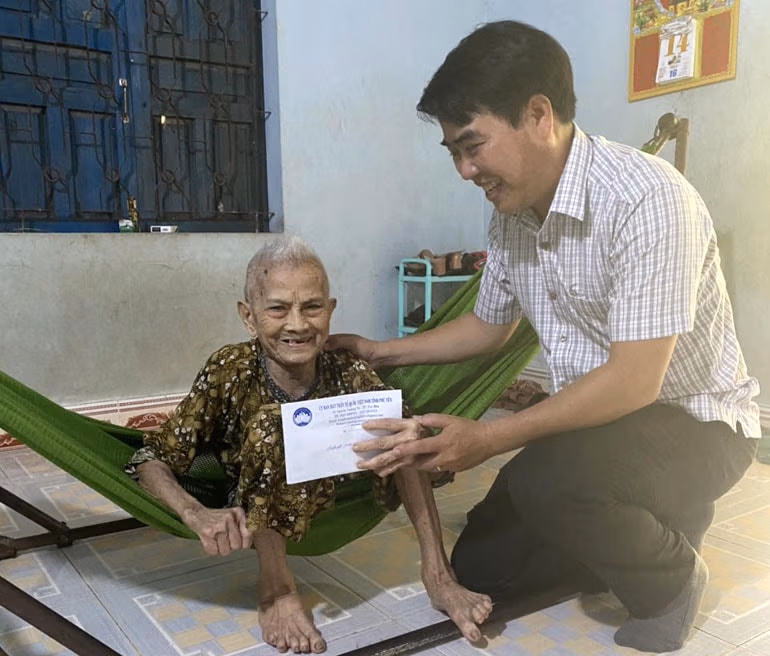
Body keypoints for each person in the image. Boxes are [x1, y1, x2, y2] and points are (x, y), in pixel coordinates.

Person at [328, 20, 761, 654]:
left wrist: (487, 438)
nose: (465, 170)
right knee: (482, 569)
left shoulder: (648, 200)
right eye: (453, 152)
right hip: (599, 434)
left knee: (548, 484)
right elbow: (489, 325)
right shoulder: (511, 216)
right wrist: (377, 350)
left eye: (473, 146)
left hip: (695, 425)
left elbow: (634, 380)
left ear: (538, 115)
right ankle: (635, 527)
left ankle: (669, 579)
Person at [125, 236, 492, 654]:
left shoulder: (345, 368)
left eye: (312, 307)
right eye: (278, 309)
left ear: (330, 310)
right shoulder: (228, 370)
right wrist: (195, 513)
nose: (298, 325)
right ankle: (276, 589)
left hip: (337, 492)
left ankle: (438, 576)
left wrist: (420, 439)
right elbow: (149, 457)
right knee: (274, 425)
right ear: (248, 317)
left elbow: (402, 440)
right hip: (259, 501)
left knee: (400, 424)